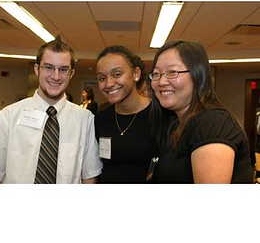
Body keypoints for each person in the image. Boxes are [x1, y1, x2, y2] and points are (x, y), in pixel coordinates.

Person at [0, 35, 102, 184]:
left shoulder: (86, 120)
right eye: (49, 67)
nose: (56, 76)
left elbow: (89, 176)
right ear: (37, 69)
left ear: (71, 74)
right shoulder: (8, 116)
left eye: (63, 69)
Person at [148, 39, 253, 183]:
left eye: (172, 72)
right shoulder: (175, 123)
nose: (161, 81)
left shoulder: (212, 123)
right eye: (156, 74)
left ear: (198, 75)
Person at [94, 45, 159, 183]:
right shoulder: (100, 119)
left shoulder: (161, 115)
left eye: (117, 74)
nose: (109, 84)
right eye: (102, 78)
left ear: (136, 74)